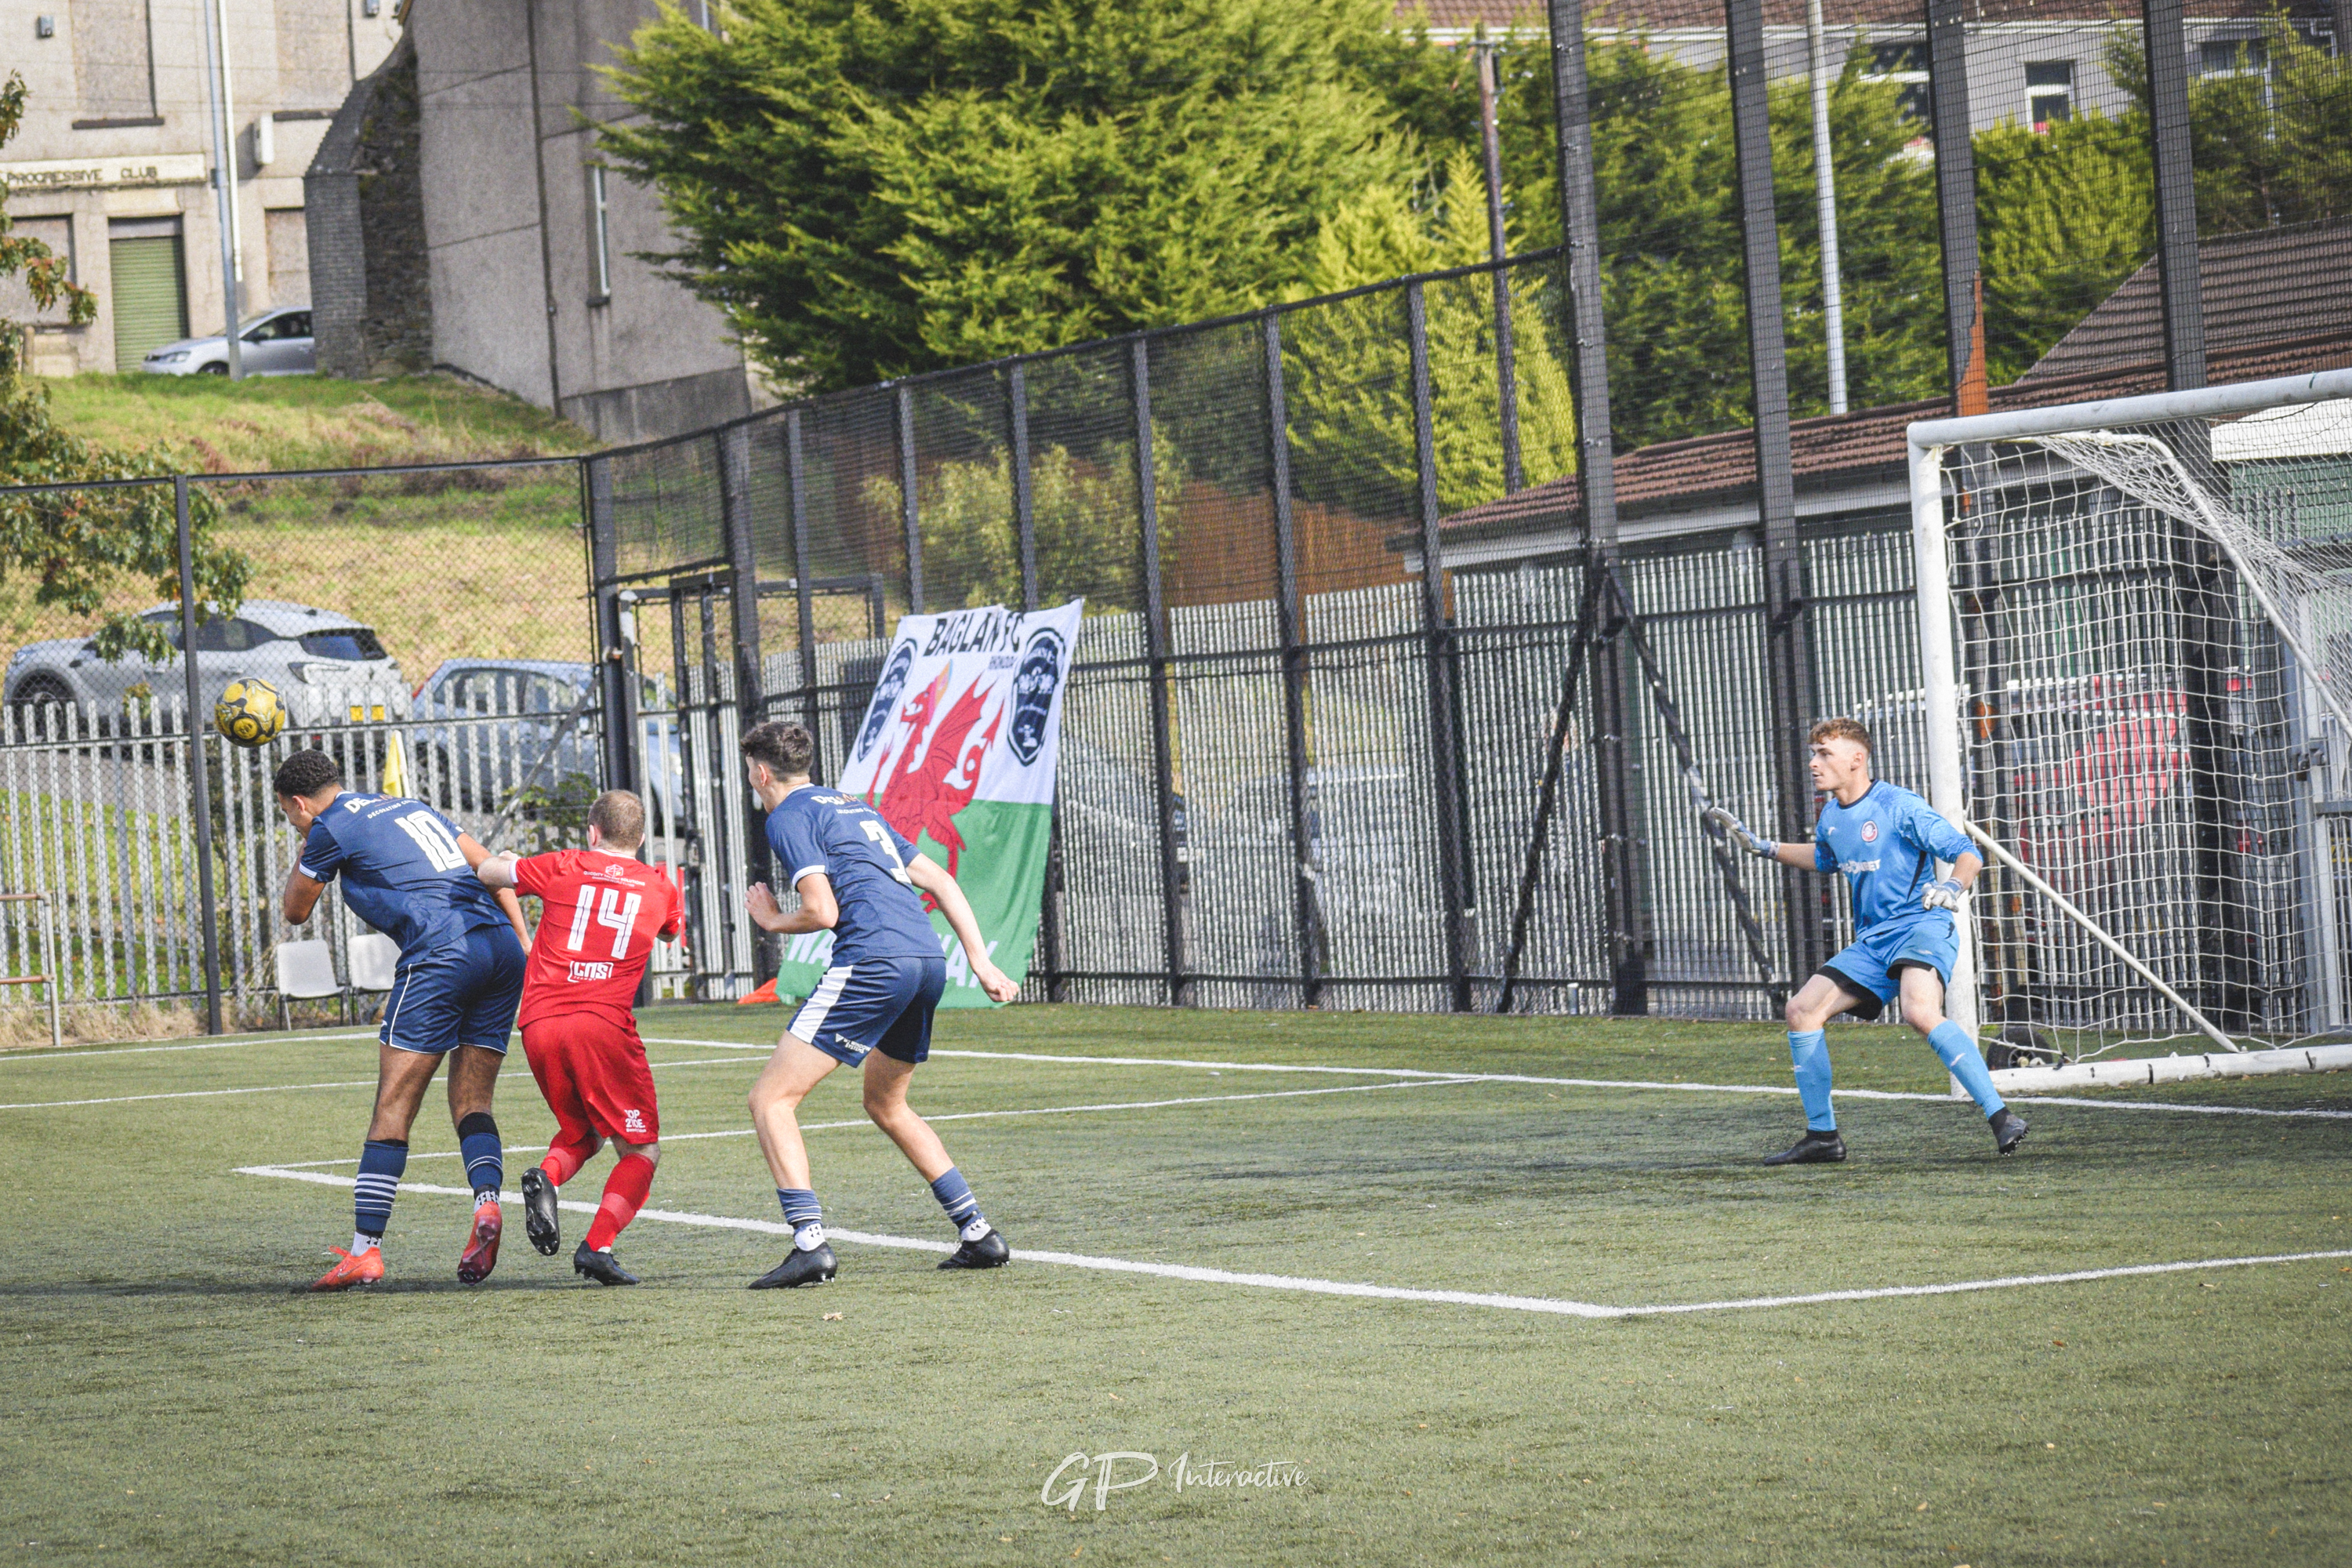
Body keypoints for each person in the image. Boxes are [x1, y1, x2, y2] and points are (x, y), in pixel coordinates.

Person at [737, 720, 1021, 1288]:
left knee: (771, 1099)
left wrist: (771, 920)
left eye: (750, 772)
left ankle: (809, 1243)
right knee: (887, 1104)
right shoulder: (855, 808)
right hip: (926, 961)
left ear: (762, 773)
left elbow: (822, 911)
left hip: (874, 961)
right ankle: (977, 1232)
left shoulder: (788, 815)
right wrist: (981, 962)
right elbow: (940, 880)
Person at [1708, 717, 2028, 1164]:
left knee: (1918, 1010)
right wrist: (1764, 847)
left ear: (1857, 759)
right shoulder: (1831, 815)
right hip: (1873, 940)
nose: (1814, 764)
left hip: (1921, 924)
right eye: (1813, 754)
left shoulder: (1899, 805)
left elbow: (1967, 853)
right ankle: (1823, 1138)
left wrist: (1953, 888)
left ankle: (2001, 1117)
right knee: (1801, 1011)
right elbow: (1824, 859)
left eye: (1824, 754)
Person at [273, 748, 532, 1290]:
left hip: (441, 956)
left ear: (299, 804)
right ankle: (486, 1205)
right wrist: (525, 946)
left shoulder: (330, 827)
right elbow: (494, 871)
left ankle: (366, 1251)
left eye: (288, 814)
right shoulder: (410, 806)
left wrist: (306, 852)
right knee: (472, 1100)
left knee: (393, 1106)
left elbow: (295, 911)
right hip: (502, 950)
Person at [476, 789, 681, 1287]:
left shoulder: (563, 865)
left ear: (592, 832)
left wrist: (509, 862)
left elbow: (489, 875)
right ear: (639, 838)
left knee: (581, 1134)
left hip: (540, 1024)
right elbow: (672, 933)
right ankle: (597, 1247)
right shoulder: (661, 886)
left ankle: (547, 1176)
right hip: (602, 1026)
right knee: (640, 1150)